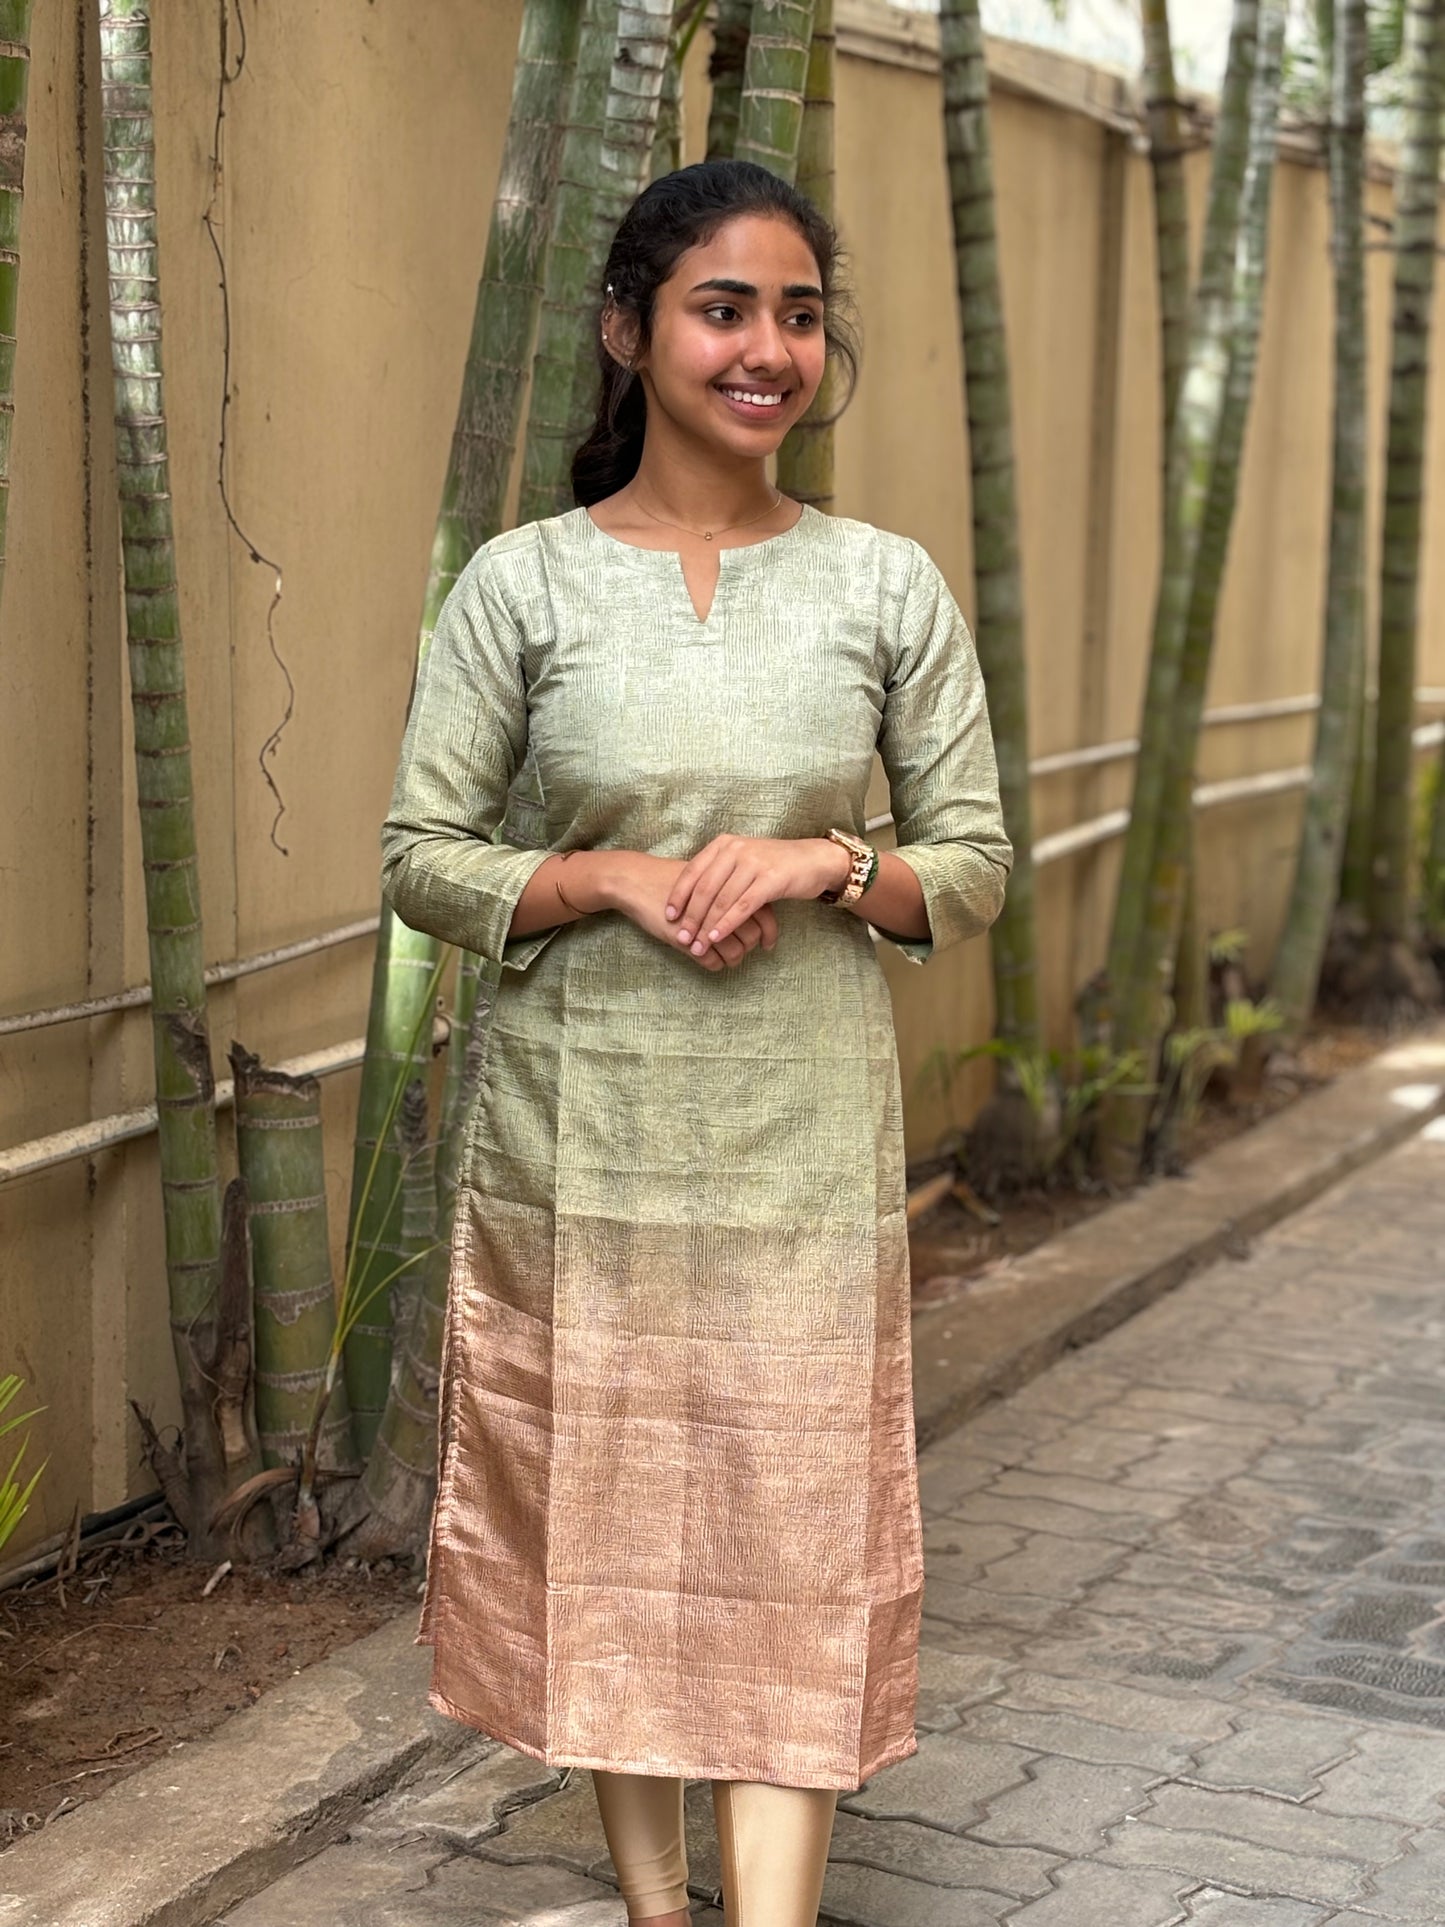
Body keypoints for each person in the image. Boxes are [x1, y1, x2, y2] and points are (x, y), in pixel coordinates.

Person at [381, 158, 1011, 1927]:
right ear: (628, 333)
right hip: (583, 1144)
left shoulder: (882, 585)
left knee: (790, 1521)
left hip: (799, 1139)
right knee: (611, 1519)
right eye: (723, 308)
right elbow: (424, 859)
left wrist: (829, 857)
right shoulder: (522, 586)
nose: (767, 348)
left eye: (798, 313)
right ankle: (658, 1905)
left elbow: (969, 858)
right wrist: (592, 877)